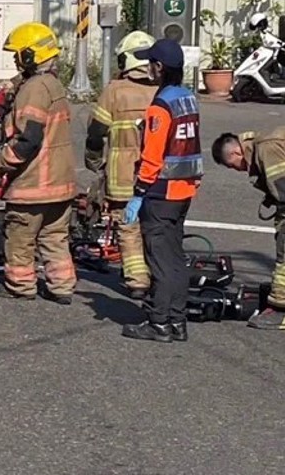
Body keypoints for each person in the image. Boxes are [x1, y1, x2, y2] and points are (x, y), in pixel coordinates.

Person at [0, 22, 77, 304]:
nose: (16, 61)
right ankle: (62, 287)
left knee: (20, 239)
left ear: (31, 56)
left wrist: (0, 165)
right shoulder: (54, 85)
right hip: (60, 184)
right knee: (55, 238)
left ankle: (20, 285)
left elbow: (28, 139)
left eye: (18, 55)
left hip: (33, 184)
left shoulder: (34, 88)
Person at [122, 38, 202, 343]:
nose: (147, 68)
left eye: (150, 63)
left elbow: (153, 156)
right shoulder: (188, 98)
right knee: (176, 256)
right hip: (184, 189)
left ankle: (158, 322)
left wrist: (139, 193)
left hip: (161, 192)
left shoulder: (160, 106)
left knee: (160, 259)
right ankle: (177, 321)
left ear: (159, 67)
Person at [84, 30, 158, 299]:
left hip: (123, 174)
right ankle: (159, 275)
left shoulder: (115, 91)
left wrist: (92, 160)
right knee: (157, 226)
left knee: (128, 226)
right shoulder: (165, 90)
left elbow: (96, 133)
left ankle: (137, 279)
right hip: (161, 175)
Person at [211, 128, 285, 329]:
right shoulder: (265, 143)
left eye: (234, 166)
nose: (240, 170)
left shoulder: (267, 149)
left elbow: (283, 189)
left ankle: (279, 310)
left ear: (236, 153)